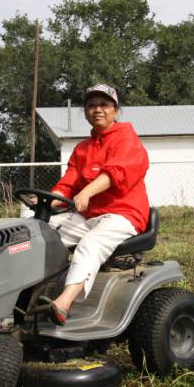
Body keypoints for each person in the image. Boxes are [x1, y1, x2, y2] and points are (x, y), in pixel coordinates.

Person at [38, 83, 150, 325]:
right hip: (89, 215)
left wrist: (86, 192)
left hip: (123, 214)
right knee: (41, 236)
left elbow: (115, 172)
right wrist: (47, 199)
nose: (97, 109)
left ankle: (63, 303)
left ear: (116, 110)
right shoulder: (83, 148)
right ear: (86, 111)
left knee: (90, 244)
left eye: (104, 104)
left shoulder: (127, 139)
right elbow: (67, 185)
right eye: (91, 105)